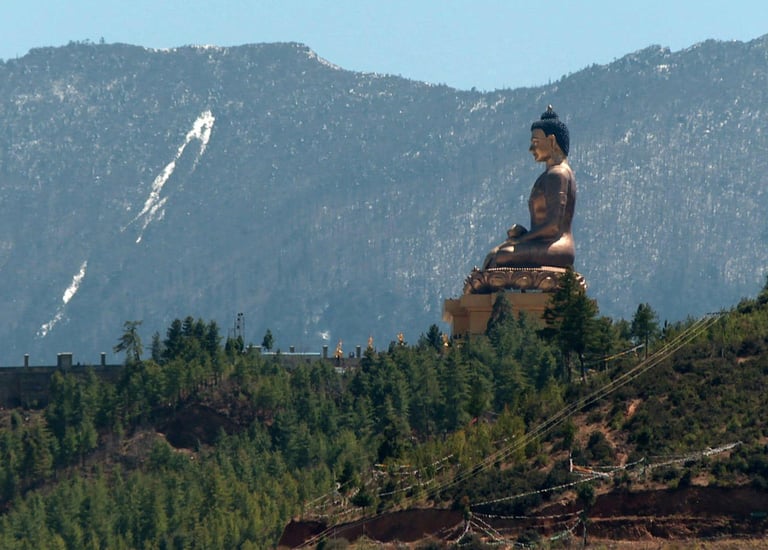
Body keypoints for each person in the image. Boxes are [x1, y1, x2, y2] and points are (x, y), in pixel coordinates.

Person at [482, 106, 576, 269]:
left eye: (535, 142)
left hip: (556, 245)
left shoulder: (558, 174)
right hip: (543, 244)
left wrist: (520, 240)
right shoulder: (551, 174)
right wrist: (523, 234)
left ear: (551, 141)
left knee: (501, 256)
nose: (531, 149)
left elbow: (553, 227)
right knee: (496, 255)